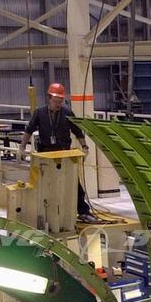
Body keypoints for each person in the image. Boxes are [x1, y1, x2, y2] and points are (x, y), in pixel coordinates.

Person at [19, 83, 96, 223]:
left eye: (60, 101)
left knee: (74, 184)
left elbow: (77, 131)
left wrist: (85, 147)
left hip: (64, 154)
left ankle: (83, 211)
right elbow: (29, 130)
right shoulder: (40, 113)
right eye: (56, 101)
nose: (58, 104)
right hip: (46, 156)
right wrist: (22, 147)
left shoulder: (67, 113)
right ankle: (40, 213)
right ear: (49, 98)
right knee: (43, 185)